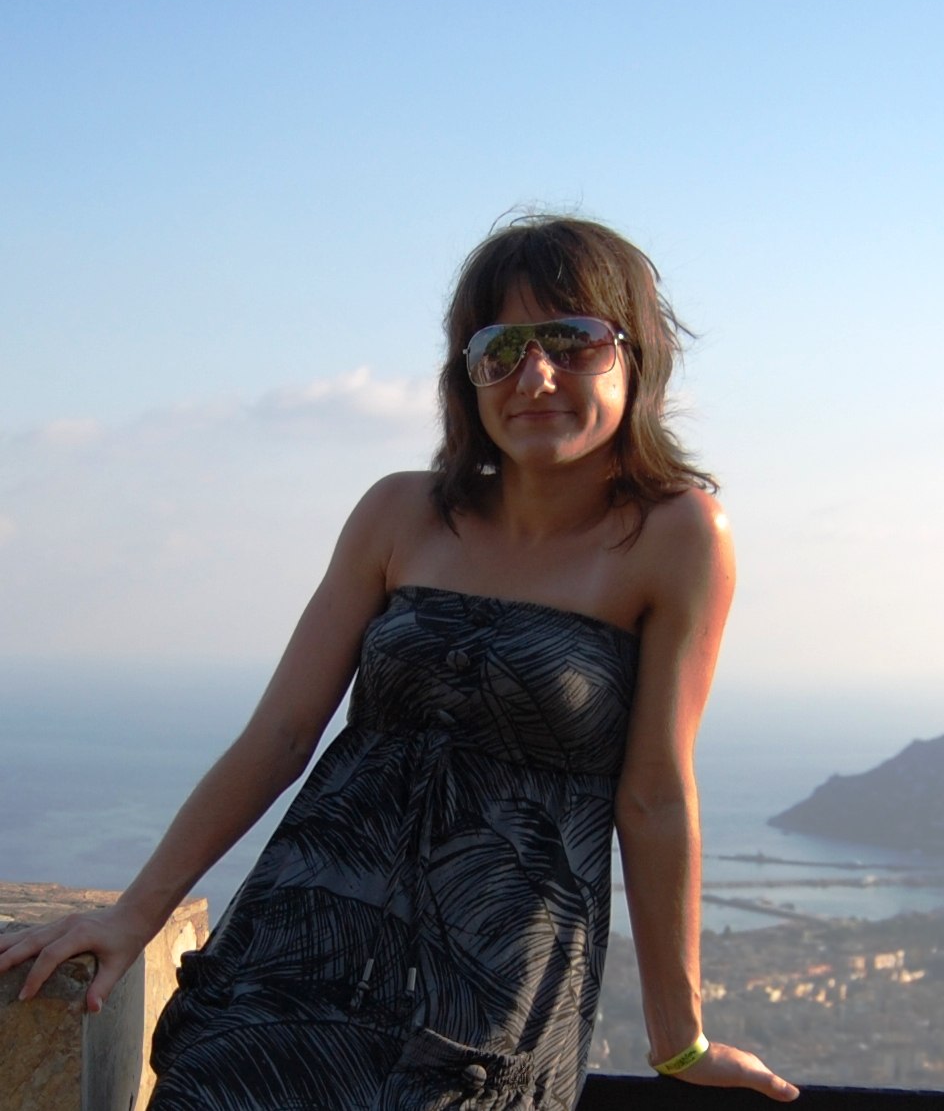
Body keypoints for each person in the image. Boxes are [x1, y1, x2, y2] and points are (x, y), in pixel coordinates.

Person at [0, 215, 799, 1108]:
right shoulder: (400, 512)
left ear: (635, 357)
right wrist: (132, 914)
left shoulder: (676, 535)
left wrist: (679, 1036)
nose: (536, 375)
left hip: (487, 997)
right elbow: (281, 733)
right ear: (467, 375)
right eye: (501, 348)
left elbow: (654, 795)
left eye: (573, 341)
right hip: (297, 956)